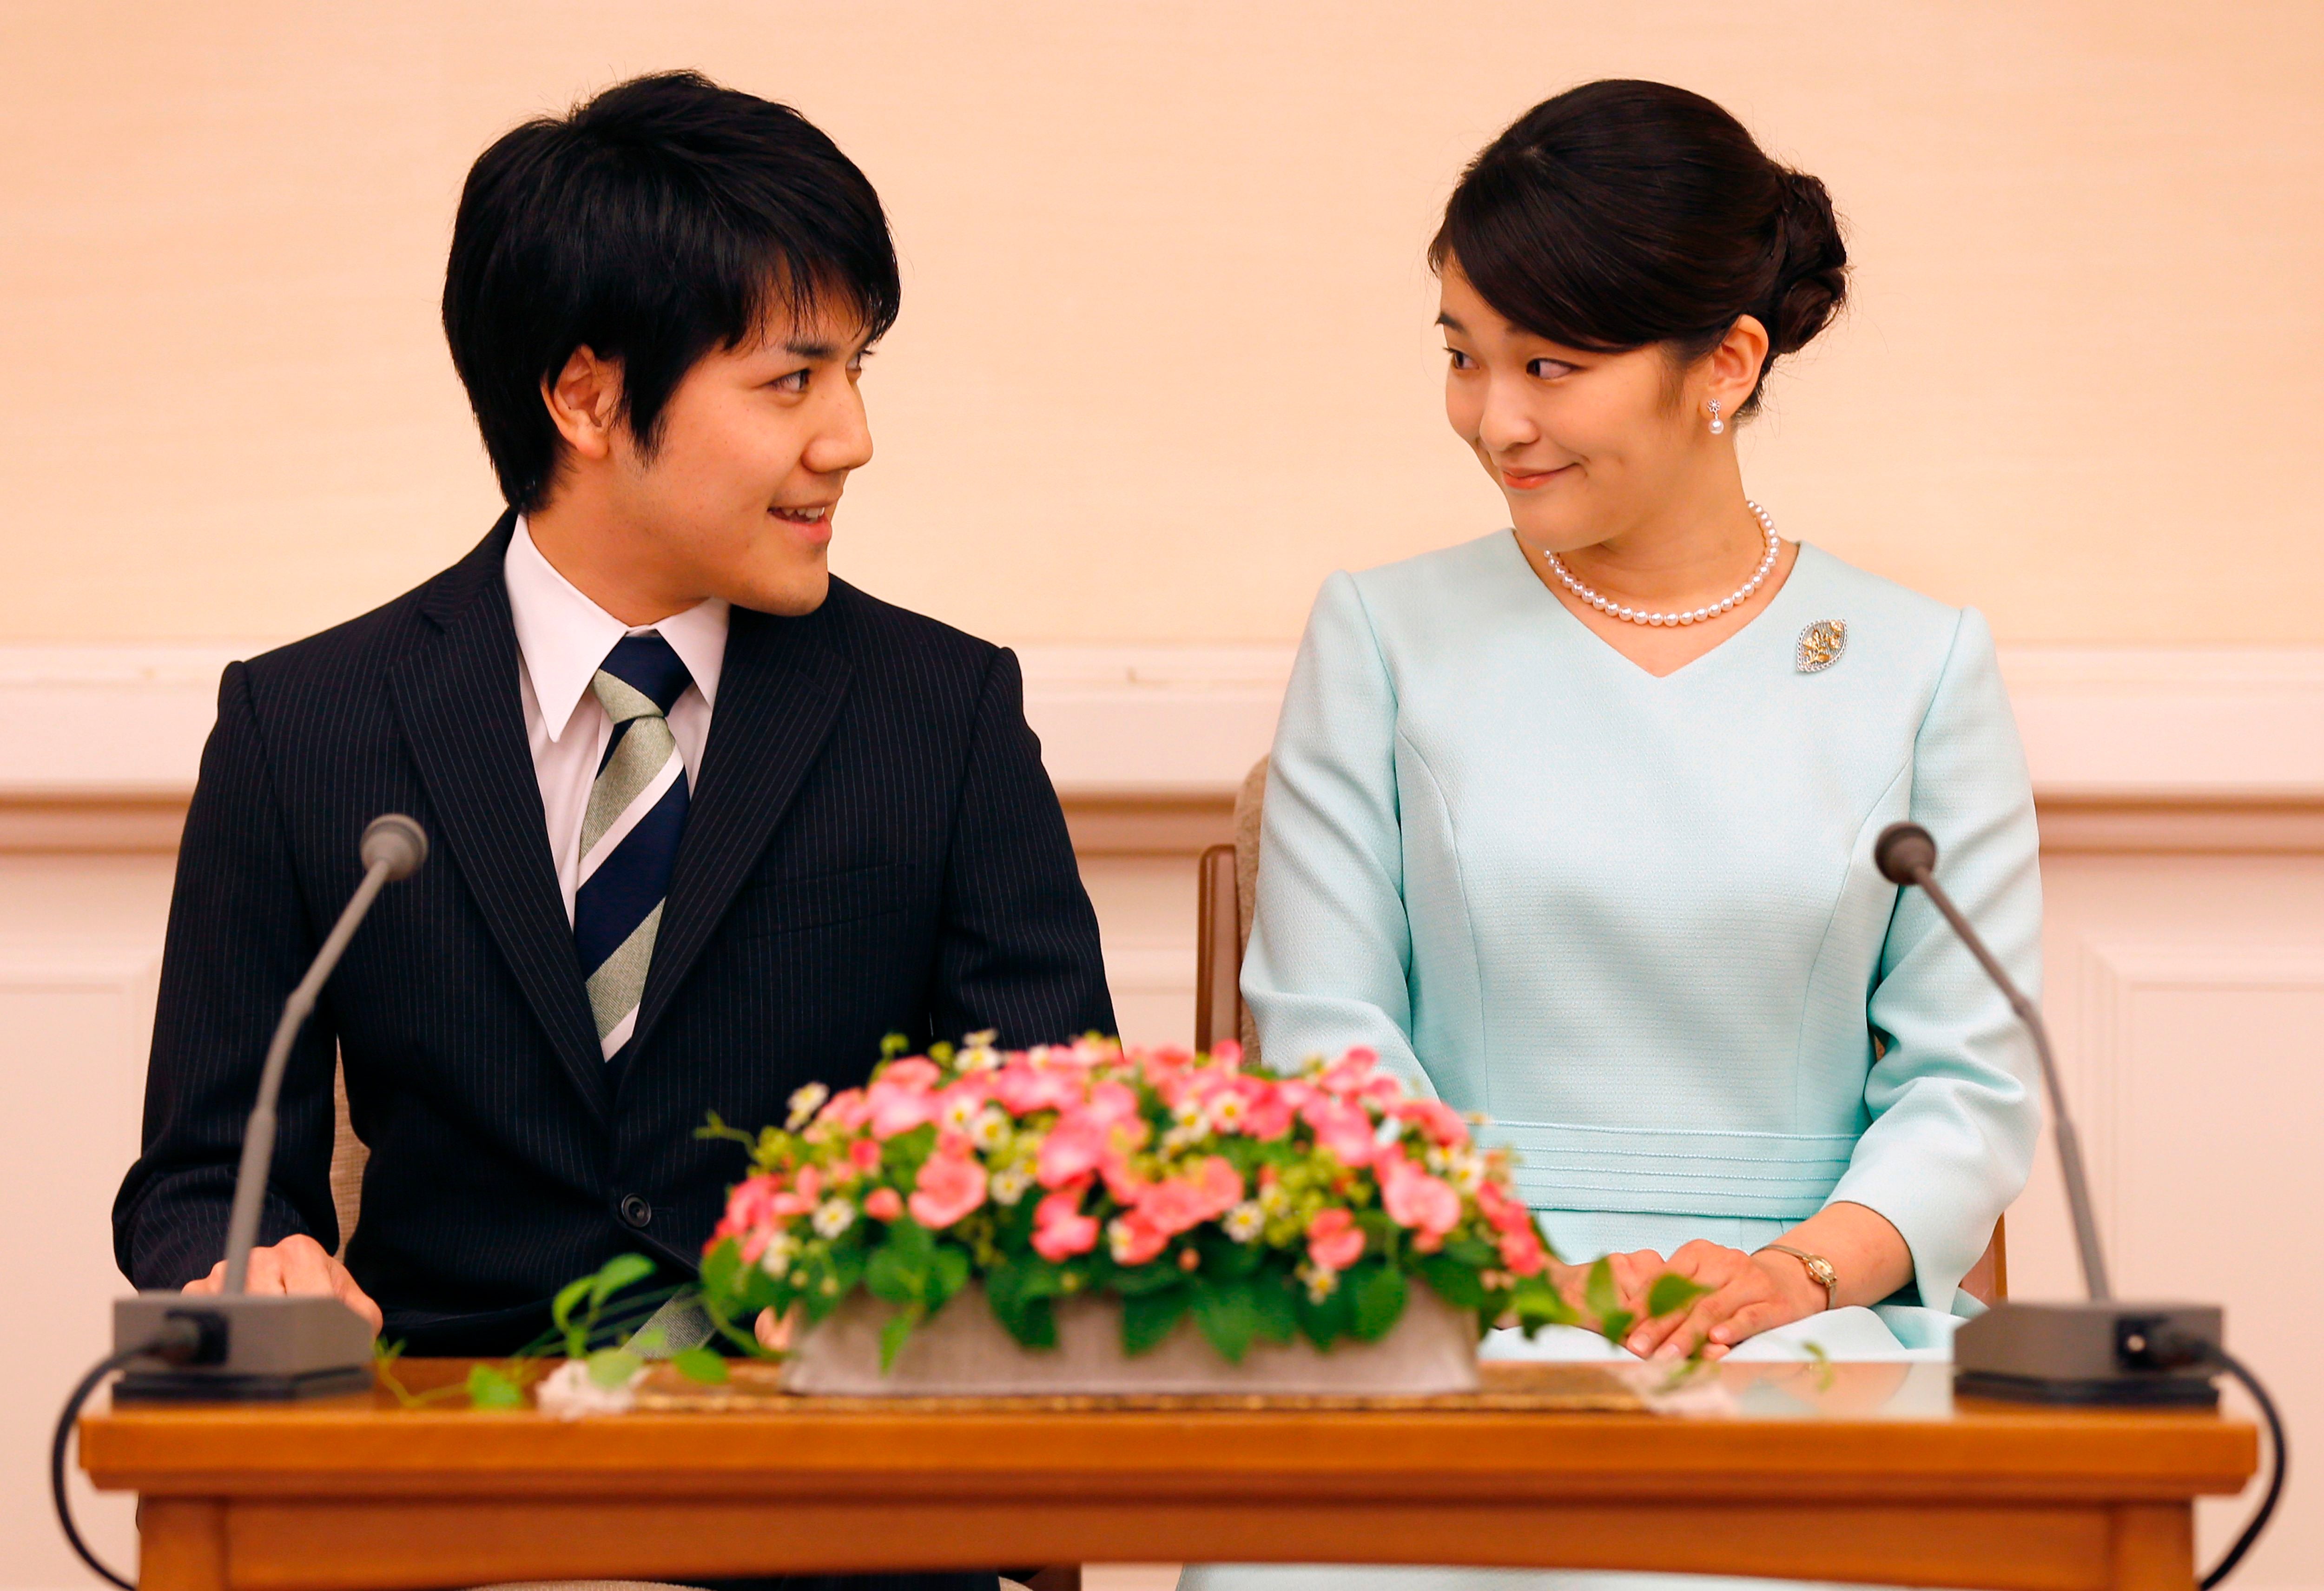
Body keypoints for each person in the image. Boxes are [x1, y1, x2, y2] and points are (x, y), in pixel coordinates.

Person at [114, 73, 1111, 1578]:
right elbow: (198, 1176)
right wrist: (255, 1263)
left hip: (840, 1500)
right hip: (442, 1491)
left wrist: (892, 1286)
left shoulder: (941, 713)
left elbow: (1057, 1141)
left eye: (858, 371)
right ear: (585, 398)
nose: (848, 438)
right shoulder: (305, 727)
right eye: (791, 381)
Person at [1186, 76, 2041, 1591]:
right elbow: (1325, 1036)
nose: (1493, 420)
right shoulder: (1384, 634)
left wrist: (1797, 1268)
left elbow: (1970, 1082)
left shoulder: (1920, 662)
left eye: (1552, 366)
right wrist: (1534, 1267)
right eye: (1464, 358)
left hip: (1811, 1319)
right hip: (1447, 1304)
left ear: (1726, 361)